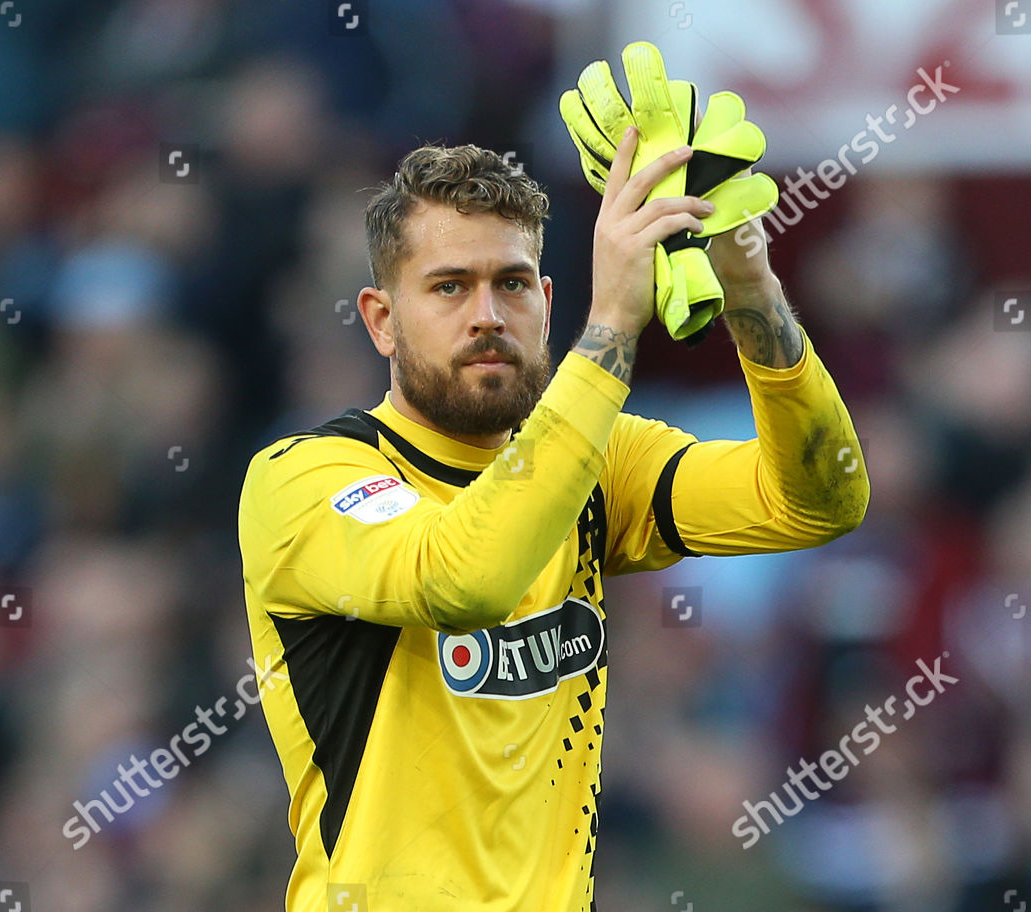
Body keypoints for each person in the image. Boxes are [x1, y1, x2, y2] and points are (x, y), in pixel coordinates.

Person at [237, 126, 870, 911]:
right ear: (380, 320)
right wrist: (608, 332)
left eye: (511, 283)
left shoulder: (597, 461)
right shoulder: (303, 479)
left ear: (545, 303)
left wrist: (751, 295)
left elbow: (823, 498)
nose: (487, 316)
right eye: (448, 287)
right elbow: (466, 580)